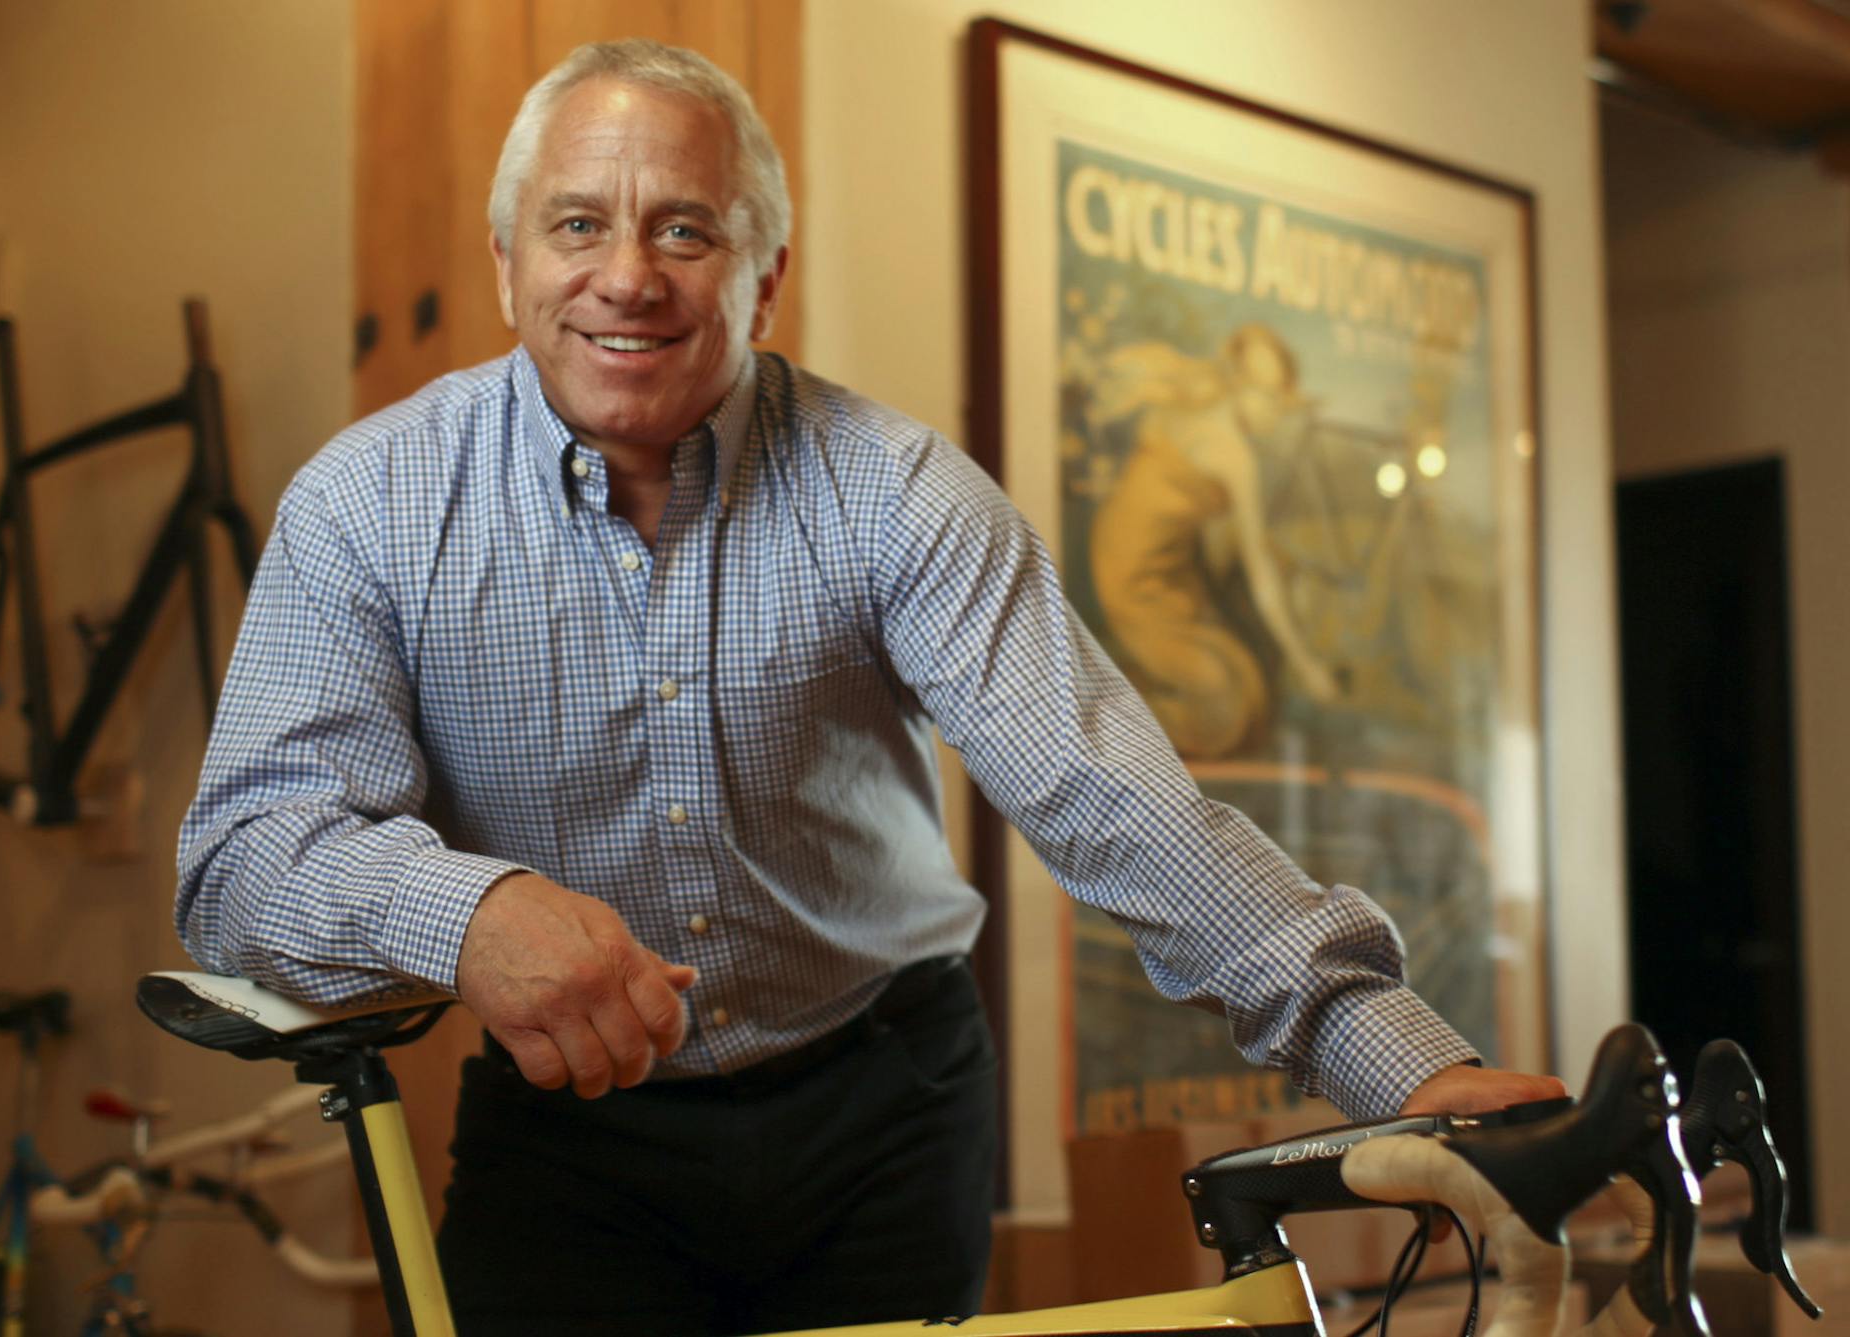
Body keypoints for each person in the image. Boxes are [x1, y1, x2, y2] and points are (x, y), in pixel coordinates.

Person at [176, 38, 1563, 1337]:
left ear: (764, 277)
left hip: (887, 1105)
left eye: (685, 230)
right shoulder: (366, 506)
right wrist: (465, 910)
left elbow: (1108, 795)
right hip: (567, 1135)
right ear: (506, 264)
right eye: (578, 224)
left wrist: (1393, 1059)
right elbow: (242, 859)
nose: (627, 277)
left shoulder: (895, 490)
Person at [1082, 326, 1342, 758]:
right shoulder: (1234, 455)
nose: (1277, 412)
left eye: (1282, 398)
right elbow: (1261, 576)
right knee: (1230, 700)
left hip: (1160, 562)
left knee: (1245, 685)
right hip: (1136, 578)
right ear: (1240, 385)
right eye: (1270, 397)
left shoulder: (1195, 402)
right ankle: (1114, 733)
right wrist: (1305, 663)